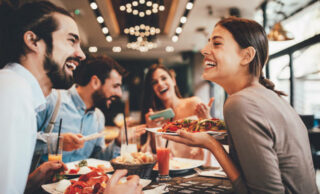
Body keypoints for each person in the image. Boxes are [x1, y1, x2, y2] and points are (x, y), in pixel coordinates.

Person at [164, 16, 318, 193]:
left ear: (246, 56)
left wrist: (212, 144)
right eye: (208, 43)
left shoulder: (239, 102)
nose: (204, 50)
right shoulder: (271, 97)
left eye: (217, 43)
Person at [0, 0, 141, 194]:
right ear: (33, 41)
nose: (81, 55)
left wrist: (29, 184)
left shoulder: (17, 90)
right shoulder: (12, 92)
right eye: (71, 40)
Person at [36, 55, 128, 163]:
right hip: (46, 179)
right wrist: (57, 142)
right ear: (95, 82)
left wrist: (117, 142)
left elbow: (97, 160)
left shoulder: (98, 117)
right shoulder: (52, 100)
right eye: (115, 86)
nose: (120, 93)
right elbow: (20, 140)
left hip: (80, 180)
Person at [140, 64, 212, 160]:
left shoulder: (194, 104)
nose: (160, 84)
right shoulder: (157, 117)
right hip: (171, 171)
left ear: (173, 80)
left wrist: (207, 120)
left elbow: (212, 140)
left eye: (164, 78)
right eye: (154, 82)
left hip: (197, 167)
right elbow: (153, 154)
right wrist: (152, 130)